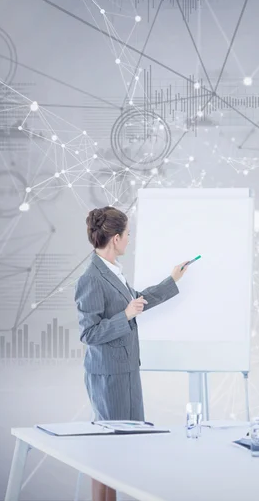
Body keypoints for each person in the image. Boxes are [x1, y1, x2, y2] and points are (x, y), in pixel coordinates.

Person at [75, 206, 190, 501]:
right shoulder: (92, 277)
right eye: (127, 234)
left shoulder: (112, 271)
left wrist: (171, 280)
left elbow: (137, 302)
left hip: (125, 370)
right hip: (108, 376)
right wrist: (124, 315)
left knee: (126, 445)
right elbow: (89, 334)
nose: (130, 238)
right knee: (109, 450)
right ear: (115, 238)